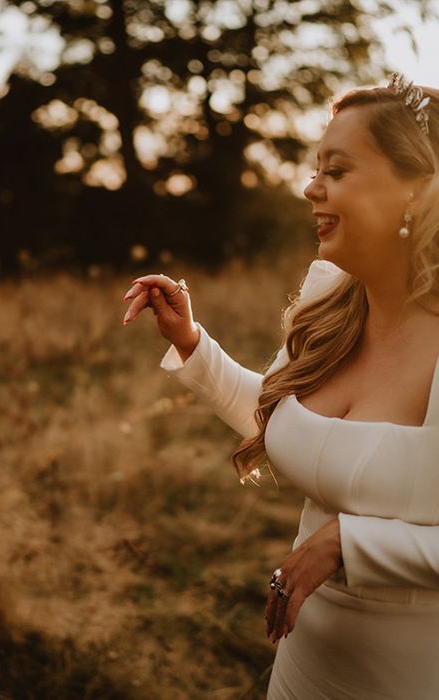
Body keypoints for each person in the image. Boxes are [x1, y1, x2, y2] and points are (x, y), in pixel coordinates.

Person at [122, 74, 439, 698]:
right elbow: (285, 426)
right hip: (302, 666)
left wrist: (352, 543)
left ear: (416, 189)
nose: (310, 188)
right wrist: (192, 344)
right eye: (316, 167)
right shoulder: (326, 298)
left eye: (338, 171)